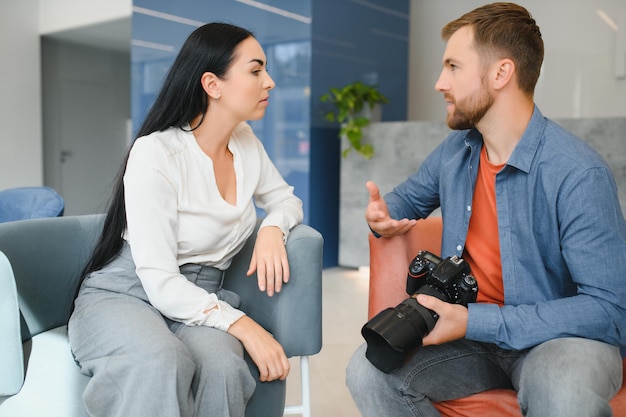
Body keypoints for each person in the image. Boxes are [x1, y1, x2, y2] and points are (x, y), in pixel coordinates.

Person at [346, 2, 626, 416]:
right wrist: (383, 218)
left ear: (501, 73)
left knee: (562, 392)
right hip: (471, 342)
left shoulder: (578, 173)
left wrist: (475, 322)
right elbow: (405, 201)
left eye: (453, 67)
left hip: (557, 340)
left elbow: (610, 309)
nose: (440, 82)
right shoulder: (457, 152)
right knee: (368, 372)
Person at [68, 22, 303, 417]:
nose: (270, 82)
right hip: (130, 293)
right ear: (213, 84)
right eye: (256, 70)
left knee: (225, 367)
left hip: (202, 296)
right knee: (161, 360)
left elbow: (285, 200)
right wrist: (243, 324)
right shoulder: (156, 153)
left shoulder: (246, 143)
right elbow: (159, 281)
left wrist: (273, 227)